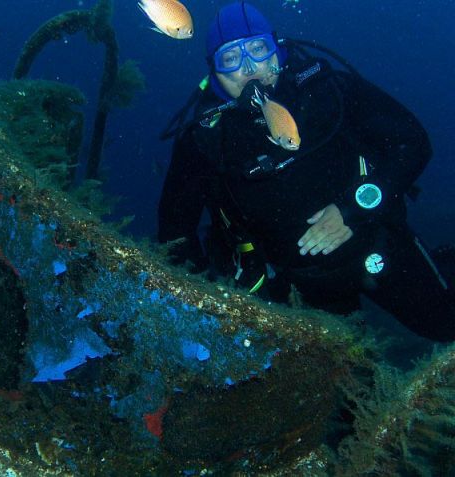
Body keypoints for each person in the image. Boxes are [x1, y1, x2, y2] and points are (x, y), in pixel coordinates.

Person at [157, 1, 455, 341]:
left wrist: (354, 209)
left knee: (446, 325)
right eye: (231, 58)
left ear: (277, 50)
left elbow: (412, 143)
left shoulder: (326, 90)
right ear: (214, 69)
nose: (249, 67)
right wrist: (200, 309)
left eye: (258, 49)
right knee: (342, 372)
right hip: (296, 285)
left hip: (378, 241)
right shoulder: (204, 138)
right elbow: (175, 230)